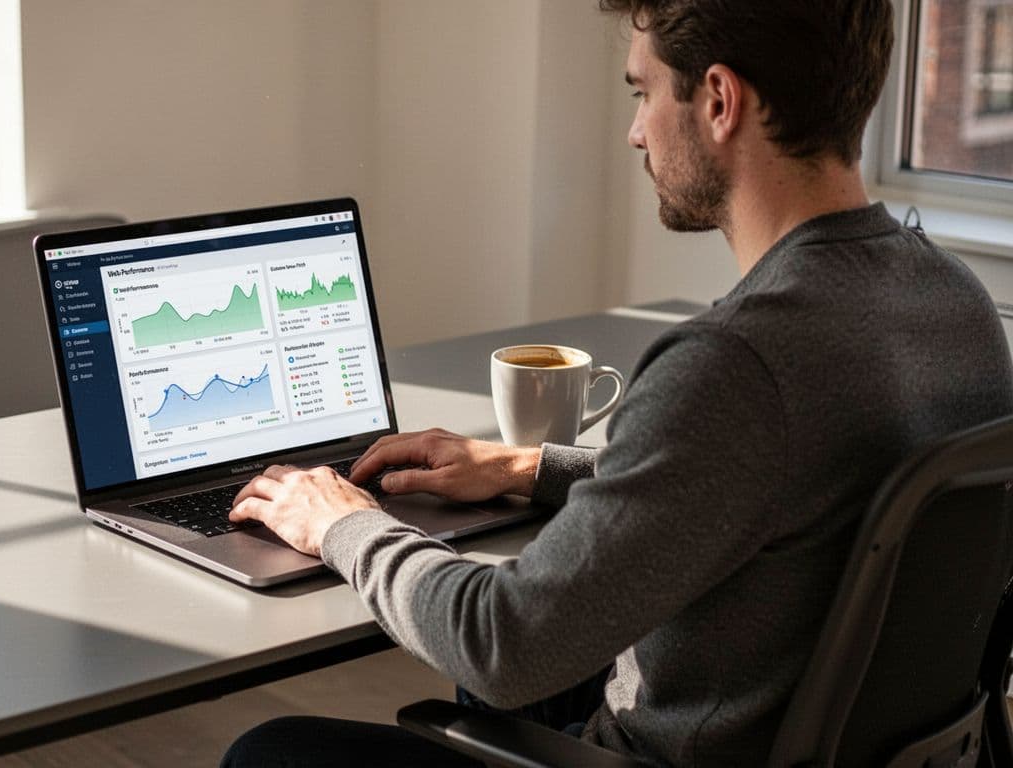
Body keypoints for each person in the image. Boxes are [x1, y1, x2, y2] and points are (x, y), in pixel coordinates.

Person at [222, 0, 1013, 765]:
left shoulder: (734, 364)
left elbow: (501, 643)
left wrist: (342, 525)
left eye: (641, 93)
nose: (635, 133)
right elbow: (783, 482)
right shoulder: (956, 302)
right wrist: (528, 467)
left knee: (270, 752)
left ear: (718, 99)